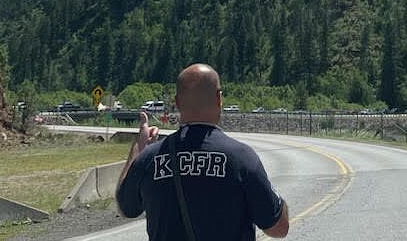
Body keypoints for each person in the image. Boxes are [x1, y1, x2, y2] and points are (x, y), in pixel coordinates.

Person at [116, 63, 290, 240]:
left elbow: (126, 207)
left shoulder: (149, 159)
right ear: (219, 99)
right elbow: (278, 228)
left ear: (177, 103)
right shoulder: (242, 158)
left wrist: (138, 148)